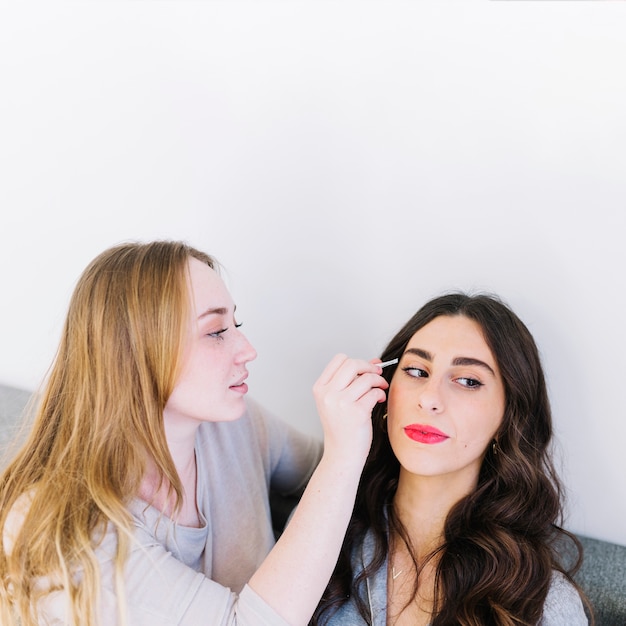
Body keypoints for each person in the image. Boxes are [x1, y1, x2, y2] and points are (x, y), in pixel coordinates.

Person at [0, 240, 389, 626]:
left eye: (236, 324)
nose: (247, 349)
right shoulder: (72, 535)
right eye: (216, 331)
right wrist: (343, 456)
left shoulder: (233, 425)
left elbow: (329, 484)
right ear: (134, 352)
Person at [312, 293, 591, 626]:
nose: (430, 398)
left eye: (468, 381)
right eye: (416, 371)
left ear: (507, 420)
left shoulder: (542, 605)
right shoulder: (323, 533)